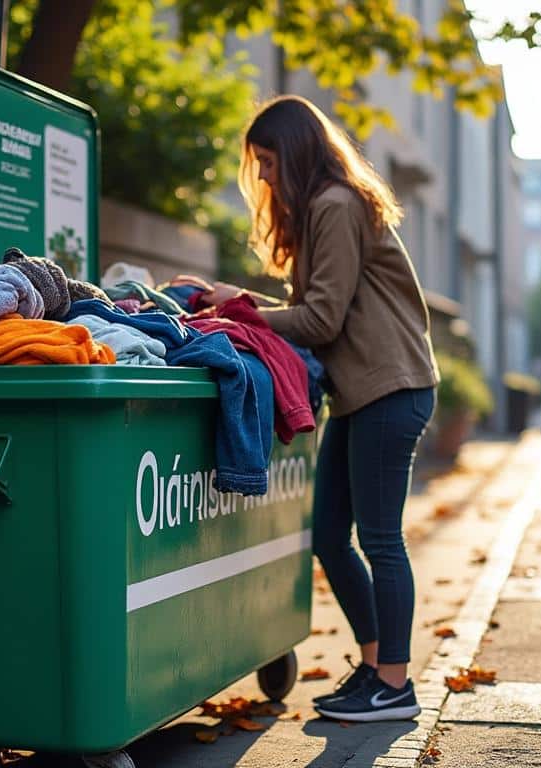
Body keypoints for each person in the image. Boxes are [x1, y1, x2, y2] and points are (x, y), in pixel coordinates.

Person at [203, 96, 439, 722]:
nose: (263, 176)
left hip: (390, 389)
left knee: (380, 539)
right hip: (362, 393)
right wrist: (239, 302)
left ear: (296, 151)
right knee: (330, 536)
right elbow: (314, 311)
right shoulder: (322, 209)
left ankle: (394, 685)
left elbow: (320, 320)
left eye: (268, 161)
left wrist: (239, 314)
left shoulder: (335, 205)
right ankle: (376, 668)